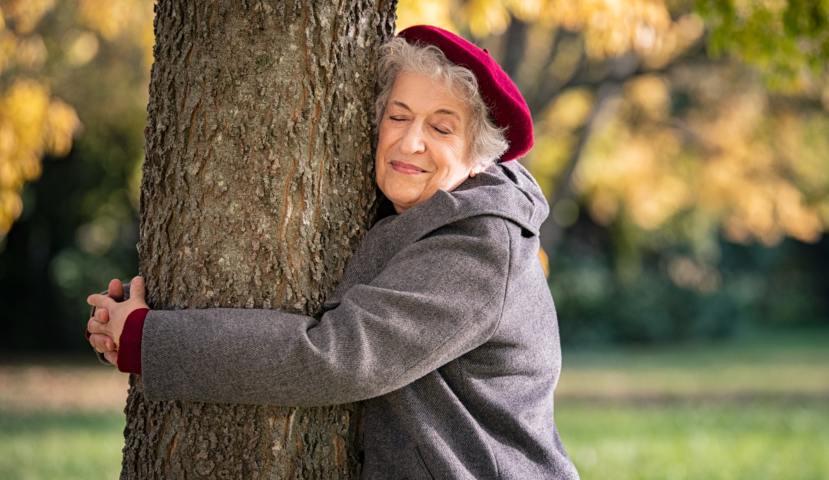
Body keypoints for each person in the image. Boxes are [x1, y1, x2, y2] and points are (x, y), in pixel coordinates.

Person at [86, 25, 580, 479]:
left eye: (441, 128)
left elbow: (334, 357)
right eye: (398, 116)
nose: (410, 142)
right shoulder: (422, 215)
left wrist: (149, 338)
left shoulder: (478, 249)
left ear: (478, 157)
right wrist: (139, 323)